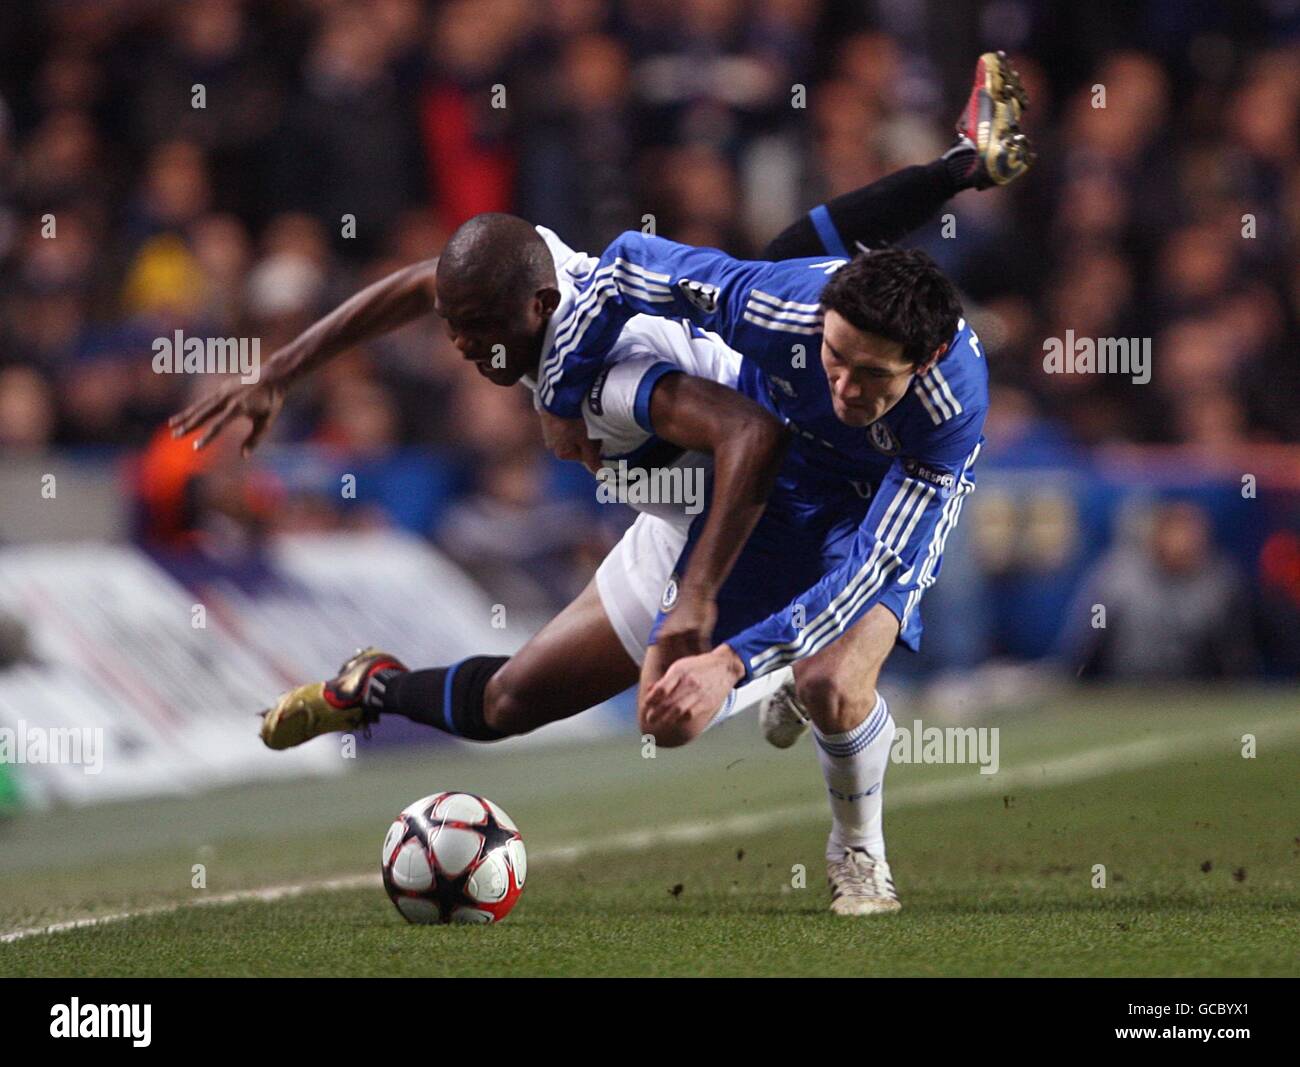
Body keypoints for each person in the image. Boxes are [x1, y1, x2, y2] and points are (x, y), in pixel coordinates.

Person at [170, 52, 1034, 915]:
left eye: (476, 333)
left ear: (537, 308)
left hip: (779, 494)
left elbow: (752, 438)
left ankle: (849, 830)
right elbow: (428, 285)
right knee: (529, 704)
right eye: (456, 328)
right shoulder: (534, 272)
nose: (462, 349)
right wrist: (280, 371)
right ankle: (370, 687)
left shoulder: (635, 381)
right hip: (700, 507)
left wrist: (703, 607)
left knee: (829, 681)